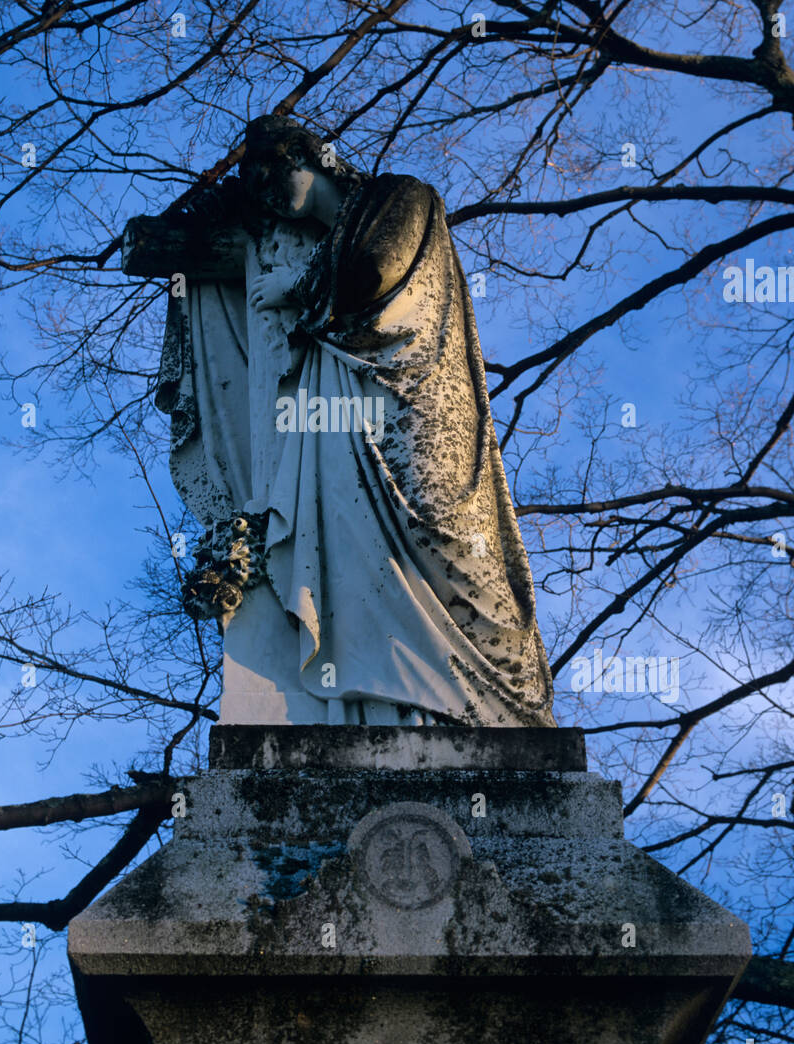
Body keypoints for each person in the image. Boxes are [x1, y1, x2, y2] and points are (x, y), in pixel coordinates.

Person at [122, 114, 555, 727]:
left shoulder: (401, 197)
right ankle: (392, 706)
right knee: (348, 549)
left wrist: (297, 287)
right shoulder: (275, 244)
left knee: (450, 542)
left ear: (314, 156)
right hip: (335, 416)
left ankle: (498, 708)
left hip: (420, 406)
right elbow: (178, 255)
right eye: (258, 188)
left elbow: (374, 272)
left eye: (276, 173)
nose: (271, 193)